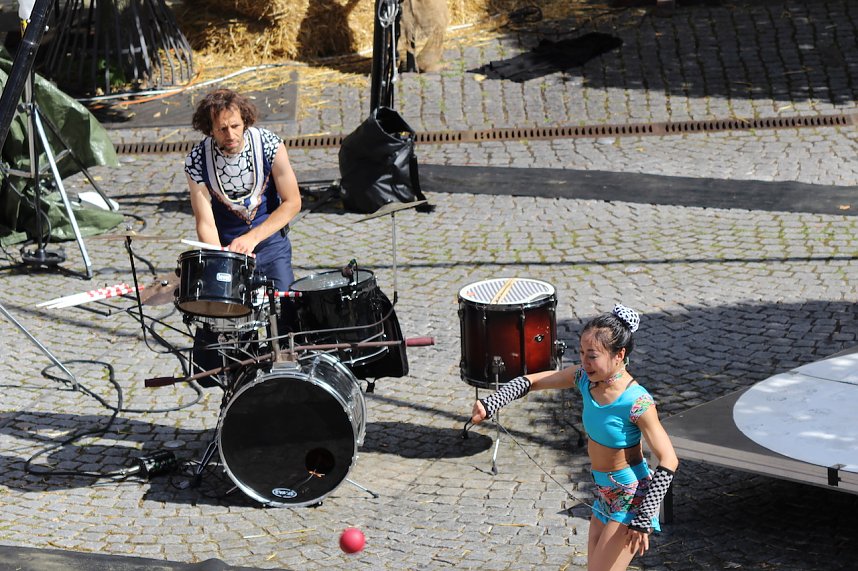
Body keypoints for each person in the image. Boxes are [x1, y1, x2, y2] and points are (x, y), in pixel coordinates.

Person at [470, 304, 678, 571]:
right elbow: (531, 381)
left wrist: (644, 516)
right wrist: (491, 404)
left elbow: (669, 459)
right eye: (581, 353)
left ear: (619, 355)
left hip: (630, 497)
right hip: (603, 492)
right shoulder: (585, 380)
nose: (584, 362)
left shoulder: (637, 402)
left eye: (592, 356)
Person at [183, 89, 302, 385]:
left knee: (285, 318)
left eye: (235, 126)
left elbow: (292, 202)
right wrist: (220, 262)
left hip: (270, 244)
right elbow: (205, 221)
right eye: (222, 128)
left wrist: (253, 238)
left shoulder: (270, 145)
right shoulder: (197, 161)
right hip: (230, 253)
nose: (230, 134)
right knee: (234, 334)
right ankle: (242, 390)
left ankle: (289, 384)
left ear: (245, 121)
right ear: (209, 129)